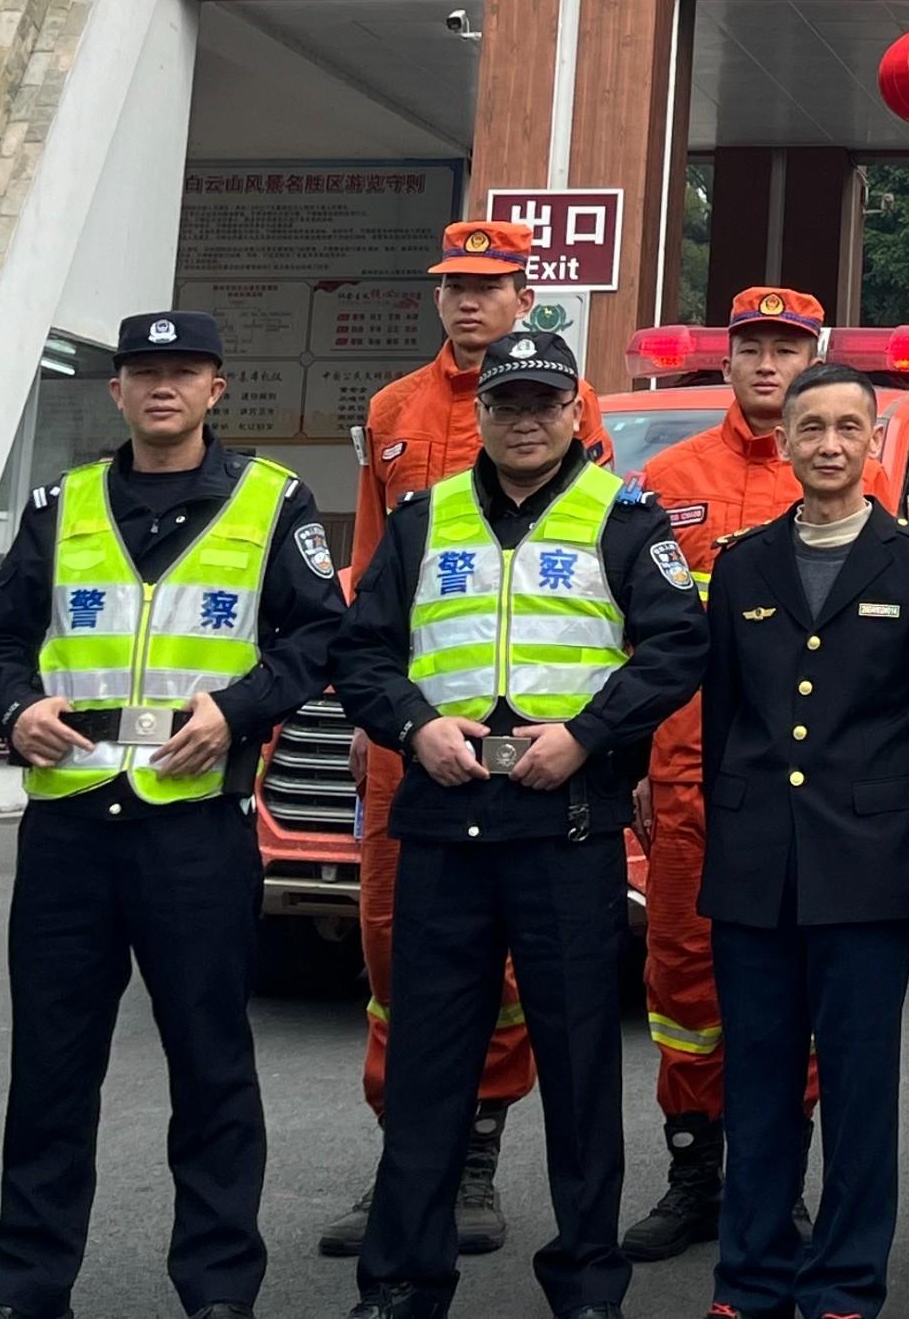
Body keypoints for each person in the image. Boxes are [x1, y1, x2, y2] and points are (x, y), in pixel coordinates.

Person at [0, 308, 343, 1319]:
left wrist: (239, 709)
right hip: (70, 826)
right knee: (50, 1067)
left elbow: (317, 639)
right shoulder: (62, 501)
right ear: (117, 390)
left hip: (195, 824)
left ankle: (218, 1287)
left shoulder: (271, 500)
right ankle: (25, 1286)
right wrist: (14, 705)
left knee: (210, 1061)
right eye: (143, 371)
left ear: (218, 387)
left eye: (184, 369)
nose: (161, 385)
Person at [332, 325, 705, 1319]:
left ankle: (586, 1283)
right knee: (427, 1062)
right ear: (483, 413)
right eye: (507, 402)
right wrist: (414, 727)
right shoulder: (423, 518)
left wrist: (588, 733)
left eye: (545, 401)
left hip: (566, 819)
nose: (526, 418)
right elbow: (361, 654)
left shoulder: (625, 516)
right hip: (445, 815)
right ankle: (403, 1278)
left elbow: (677, 647)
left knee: (581, 1067)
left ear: (575, 410)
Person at [326, 217, 608, 1261]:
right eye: (453, 284)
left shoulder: (574, 410)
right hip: (416, 738)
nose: (468, 301)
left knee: (518, 954)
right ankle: (409, 1158)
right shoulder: (392, 409)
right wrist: (375, 723)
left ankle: (478, 1154)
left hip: (532, 744)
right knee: (396, 942)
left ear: (524, 294)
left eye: (489, 285)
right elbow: (368, 572)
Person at [698, 360, 909, 1319]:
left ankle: (847, 1282)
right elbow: (726, 717)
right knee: (759, 1084)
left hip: (870, 865)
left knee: (858, 1092)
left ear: (873, 444)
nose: (827, 446)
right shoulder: (740, 565)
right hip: (755, 865)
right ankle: (751, 1278)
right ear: (783, 441)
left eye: (847, 429)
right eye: (809, 428)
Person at [621, 282, 819, 1258]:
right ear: (728, 357)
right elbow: (630, 634)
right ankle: (694, 1170)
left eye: (787, 345)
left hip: (800, 788)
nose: (768, 361)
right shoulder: (664, 477)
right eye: (753, 345)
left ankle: (777, 1184)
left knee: (793, 985)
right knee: (684, 982)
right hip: (686, 778)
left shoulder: (834, 473)